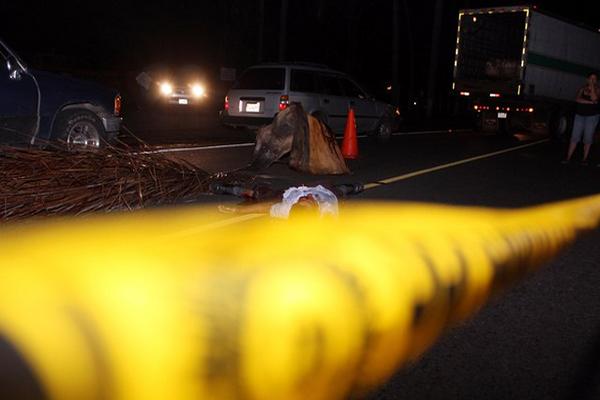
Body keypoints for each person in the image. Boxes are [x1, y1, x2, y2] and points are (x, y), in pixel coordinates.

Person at [563, 73, 600, 165]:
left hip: (592, 117)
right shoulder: (582, 89)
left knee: (587, 138)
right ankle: (568, 157)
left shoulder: (598, 90)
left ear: (596, 81)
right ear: (587, 79)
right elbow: (577, 99)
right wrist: (590, 102)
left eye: (594, 79)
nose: (592, 80)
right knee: (574, 137)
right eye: (590, 78)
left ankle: (584, 159)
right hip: (579, 115)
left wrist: (592, 88)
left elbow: (595, 99)